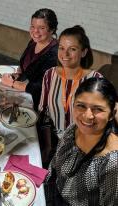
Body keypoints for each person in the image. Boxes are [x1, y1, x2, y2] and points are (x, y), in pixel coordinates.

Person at [45, 77, 118, 205]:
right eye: (81, 106)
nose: (87, 116)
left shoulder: (112, 162)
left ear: (112, 114)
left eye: (98, 109)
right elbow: (56, 162)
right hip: (52, 191)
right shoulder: (73, 128)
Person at [38, 25, 102, 165]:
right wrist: (48, 147)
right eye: (61, 48)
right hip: (53, 144)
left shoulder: (95, 80)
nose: (65, 54)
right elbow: (44, 113)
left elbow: (99, 123)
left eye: (72, 49)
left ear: (83, 52)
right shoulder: (50, 75)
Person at [1, 8, 58, 109]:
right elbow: (28, 67)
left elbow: (41, 88)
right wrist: (19, 74)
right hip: (24, 92)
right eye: (32, 26)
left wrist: (12, 83)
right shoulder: (33, 42)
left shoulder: (55, 54)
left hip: (40, 103)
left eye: (42, 28)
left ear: (52, 30)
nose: (35, 31)